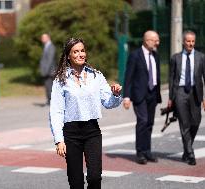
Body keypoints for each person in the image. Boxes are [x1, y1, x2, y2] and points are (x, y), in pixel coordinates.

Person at [50, 38, 122, 189]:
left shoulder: (96, 76)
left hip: (92, 132)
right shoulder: (60, 80)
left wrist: (115, 95)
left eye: (82, 50)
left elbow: (108, 103)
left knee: (95, 178)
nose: (80, 54)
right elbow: (56, 111)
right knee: (76, 183)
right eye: (75, 51)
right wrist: (59, 140)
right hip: (71, 134)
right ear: (68, 55)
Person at [168, 30, 205, 166]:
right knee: (184, 123)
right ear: (183, 42)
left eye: (192, 41)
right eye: (188, 41)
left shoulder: (201, 57)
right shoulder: (175, 58)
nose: (190, 43)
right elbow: (172, 78)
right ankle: (190, 154)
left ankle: (186, 150)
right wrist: (170, 98)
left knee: (195, 122)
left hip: (196, 93)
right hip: (180, 92)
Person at [123, 30, 162, 165]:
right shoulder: (135, 56)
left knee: (150, 123)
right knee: (143, 121)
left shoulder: (155, 55)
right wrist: (126, 97)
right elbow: (128, 77)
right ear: (147, 41)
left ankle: (147, 151)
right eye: (155, 40)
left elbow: (156, 75)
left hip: (153, 94)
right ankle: (140, 152)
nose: (158, 42)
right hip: (139, 95)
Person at [40, 33, 56, 105]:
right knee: (47, 86)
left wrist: (45, 71)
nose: (42, 39)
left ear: (48, 38)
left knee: (50, 86)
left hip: (50, 71)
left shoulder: (51, 46)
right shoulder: (46, 46)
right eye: (42, 38)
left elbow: (50, 60)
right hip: (47, 70)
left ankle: (51, 101)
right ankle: (49, 100)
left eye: (44, 37)